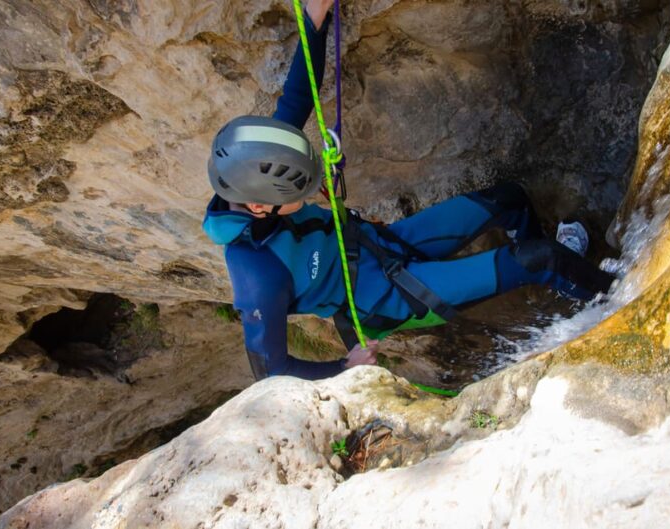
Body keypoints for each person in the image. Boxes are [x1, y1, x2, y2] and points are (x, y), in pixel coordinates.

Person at [202, 0, 614, 380]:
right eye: (301, 192)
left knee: (509, 198)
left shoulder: (267, 161)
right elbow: (270, 370)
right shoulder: (258, 276)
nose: (310, 194)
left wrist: (315, 15)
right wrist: (345, 366)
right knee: (541, 258)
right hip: (384, 298)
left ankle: (554, 276)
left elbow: (298, 93)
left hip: (382, 243)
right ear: (260, 206)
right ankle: (619, 302)